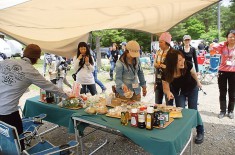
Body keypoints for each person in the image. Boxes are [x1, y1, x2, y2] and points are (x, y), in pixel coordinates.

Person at [0, 44, 70, 151]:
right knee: (17, 144)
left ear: (24, 54)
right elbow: (49, 86)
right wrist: (67, 95)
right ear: (36, 59)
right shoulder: (30, 71)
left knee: (4, 140)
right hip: (8, 112)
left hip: (4, 110)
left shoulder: (6, 62)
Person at [162, 50, 204, 144]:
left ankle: (200, 131)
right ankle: (183, 133)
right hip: (179, 92)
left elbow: (193, 74)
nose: (182, 61)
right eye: (179, 60)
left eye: (182, 59)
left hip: (192, 89)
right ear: (172, 62)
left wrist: (198, 82)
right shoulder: (167, 72)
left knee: (193, 111)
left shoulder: (188, 64)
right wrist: (168, 93)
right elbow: (166, 87)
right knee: (180, 111)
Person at [211, 30, 235, 119]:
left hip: (233, 73)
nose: (232, 38)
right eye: (230, 36)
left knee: (232, 92)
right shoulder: (223, 46)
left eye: (233, 36)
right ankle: (222, 111)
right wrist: (223, 43)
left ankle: (231, 111)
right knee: (222, 91)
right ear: (227, 38)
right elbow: (212, 47)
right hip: (222, 72)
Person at [154, 32, 174, 104]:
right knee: (157, 103)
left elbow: (174, 68)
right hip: (159, 81)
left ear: (166, 42)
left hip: (168, 82)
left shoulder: (172, 52)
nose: (159, 44)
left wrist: (166, 67)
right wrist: (155, 82)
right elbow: (155, 64)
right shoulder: (158, 51)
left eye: (161, 42)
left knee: (169, 103)